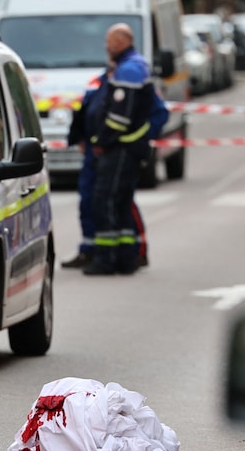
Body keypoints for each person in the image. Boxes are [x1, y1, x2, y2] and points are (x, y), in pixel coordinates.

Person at [62, 63, 168, 270]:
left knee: (118, 201)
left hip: (118, 150)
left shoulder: (132, 81)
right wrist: (79, 137)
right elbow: (86, 110)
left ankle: (132, 252)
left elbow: (157, 114)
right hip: (96, 150)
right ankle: (91, 249)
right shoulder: (99, 82)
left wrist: (141, 140)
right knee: (91, 201)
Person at [82, 23, 156, 275]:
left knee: (106, 201)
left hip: (121, 148)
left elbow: (119, 118)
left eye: (110, 42)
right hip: (126, 147)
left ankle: (107, 259)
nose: (106, 46)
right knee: (121, 203)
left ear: (122, 42)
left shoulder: (130, 69)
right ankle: (125, 258)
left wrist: (101, 142)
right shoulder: (129, 66)